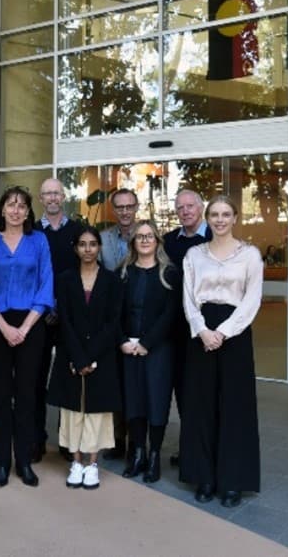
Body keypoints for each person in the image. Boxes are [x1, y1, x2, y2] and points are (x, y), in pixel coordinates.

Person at [179, 195, 262, 509]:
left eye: (226, 214)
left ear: (235, 218)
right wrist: (201, 329)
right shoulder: (194, 254)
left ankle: (232, 481)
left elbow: (252, 300)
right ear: (207, 217)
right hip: (200, 333)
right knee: (200, 407)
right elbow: (188, 297)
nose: (220, 219)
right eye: (214, 214)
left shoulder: (250, 256)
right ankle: (205, 477)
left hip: (235, 334)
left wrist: (223, 332)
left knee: (235, 408)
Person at [0, 185, 53, 488]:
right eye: (11, 204)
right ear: (2, 209)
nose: (16, 210)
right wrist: (5, 327)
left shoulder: (39, 241)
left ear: (28, 211)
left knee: (26, 395)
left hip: (31, 325)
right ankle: (1, 462)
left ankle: (24, 460)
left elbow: (46, 285)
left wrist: (24, 327)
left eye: (22, 205)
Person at [47, 226, 122, 490]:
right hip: (71, 354)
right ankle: (76, 462)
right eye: (82, 244)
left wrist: (91, 357)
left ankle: (92, 464)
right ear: (76, 249)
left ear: (99, 247)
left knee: (96, 413)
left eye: (92, 244)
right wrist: (78, 358)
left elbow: (113, 322)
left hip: (101, 355)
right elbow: (64, 320)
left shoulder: (112, 280)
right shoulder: (66, 279)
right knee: (73, 411)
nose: (88, 249)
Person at [118, 220, 178, 484]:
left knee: (156, 402)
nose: (144, 240)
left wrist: (147, 343)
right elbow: (114, 314)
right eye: (139, 236)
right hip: (128, 349)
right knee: (134, 402)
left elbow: (171, 314)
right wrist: (122, 341)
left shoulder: (170, 274)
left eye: (149, 236)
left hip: (158, 349)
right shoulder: (123, 273)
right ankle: (138, 452)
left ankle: (154, 455)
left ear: (157, 241)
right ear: (133, 242)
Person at [33, 177, 82, 462]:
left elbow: (82, 273)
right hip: (36, 317)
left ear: (63, 197)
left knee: (67, 380)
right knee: (35, 379)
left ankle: (67, 440)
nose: (52, 198)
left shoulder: (77, 231)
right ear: (41, 199)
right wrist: (44, 306)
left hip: (67, 318)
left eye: (56, 193)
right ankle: (36, 438)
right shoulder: (31, 232)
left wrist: (61, 307)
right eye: (47, 193)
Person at [161, 189, 211, 467]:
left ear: (201, 208)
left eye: (191, 206)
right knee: (182, 391)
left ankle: (205, 448)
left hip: (207, 330)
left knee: (203, 393)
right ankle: (188, 447)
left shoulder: (214, 239)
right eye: (180, 207)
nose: (186, 211)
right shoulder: (168, 242)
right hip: (177, 331)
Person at [98, 188, 139, 460]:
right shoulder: (103, 239)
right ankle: (118, 438)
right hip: (113, 319)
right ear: (114, 210)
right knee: (115, 381)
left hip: (140, 317)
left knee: (137, 382)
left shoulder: (148, 235)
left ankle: (138, 440)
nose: (125, 211)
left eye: (129, 206)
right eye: (120, 207)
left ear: (137, 207)